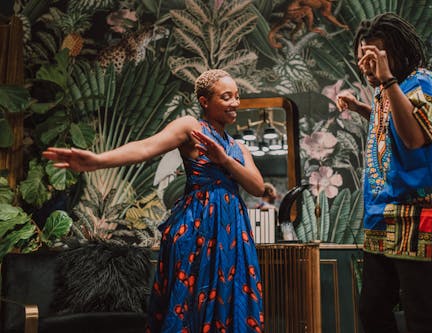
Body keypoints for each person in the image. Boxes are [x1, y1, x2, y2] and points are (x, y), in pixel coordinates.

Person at [43, 69, 265, 333]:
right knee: (191, 300)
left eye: (237, 97)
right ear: (205, 101)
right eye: (226, 97)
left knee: (231, 296)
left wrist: (225, 160)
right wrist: (97, 161)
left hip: (232, 231)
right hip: (198, 227)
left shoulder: (238, 148)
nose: (235, 103)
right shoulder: (190, 127)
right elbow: (146, 147)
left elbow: (258, 186)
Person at [336, 13, 432, 333]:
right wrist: (364, 108)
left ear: (396, 53)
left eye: (374, 57)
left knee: (420, 316)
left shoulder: (422, 82)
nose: (367, 65)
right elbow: (390, 126)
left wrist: (387, 79)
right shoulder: (386, 92)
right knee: (372, 310)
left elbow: (414, 137)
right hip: (381, 217)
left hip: (419, 218)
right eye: (363, 58)